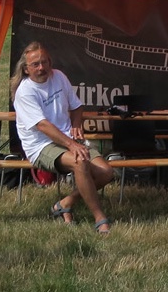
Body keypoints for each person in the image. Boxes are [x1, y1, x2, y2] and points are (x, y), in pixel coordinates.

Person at [12, 42, 115, 233]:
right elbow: (43, 125)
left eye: (44, 62)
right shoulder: (25, 91)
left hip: (68, 140)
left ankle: (65, 203)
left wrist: (76, 124)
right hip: (41, 146)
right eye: (35, 64)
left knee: (106, 172)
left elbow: (76, 106)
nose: (41, 68)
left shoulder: (59, 76)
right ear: (26, 69)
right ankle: (100, 218)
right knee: (80, 161)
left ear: (50, 62)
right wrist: (72, 145)